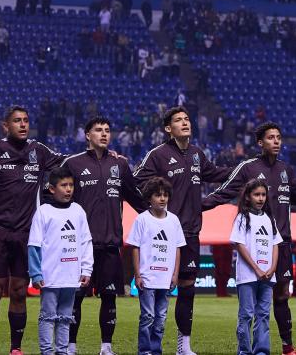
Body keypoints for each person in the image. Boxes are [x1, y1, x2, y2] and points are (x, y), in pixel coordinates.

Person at [203, 121, 296, 355]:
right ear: (260, 142)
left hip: (280, 242)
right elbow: (225, 190)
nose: (276, 141)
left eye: (279, 137)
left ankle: (287, 346)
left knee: (282, 295)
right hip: (253, 245)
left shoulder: (286, 170)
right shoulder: (248, 167)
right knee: (250, 306)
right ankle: (246, 348)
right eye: (271, 138)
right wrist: (199, 205)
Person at [0, 106, 67, 355]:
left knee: (20, 291)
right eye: (17, 121)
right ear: (5, 126)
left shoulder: (38, 151)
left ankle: (15, 348)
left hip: (28, 233)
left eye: (26, 121)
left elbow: (67, 162)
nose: (23, 125)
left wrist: (100, 154)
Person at [134, 106, 233, 355]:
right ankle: (146, 347)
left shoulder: (197, 154)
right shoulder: (157, 155)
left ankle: (183, 346)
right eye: (178, 120)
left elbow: (216, 173)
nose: (185, 122)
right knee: (153, 291)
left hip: (189, 232)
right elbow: (133, 180)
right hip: (162, 234)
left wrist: (243, 170)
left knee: (187, 288)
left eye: (187, 118)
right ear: (168, 128)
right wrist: (148, 213)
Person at [61, 118, 146, 355]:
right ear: (87, 135)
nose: (104, 134)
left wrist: (160, 219)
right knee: (75, 298)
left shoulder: (119, 165)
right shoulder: (73, 163)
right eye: (98, 130)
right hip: (79, 246)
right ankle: (70, 346)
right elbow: (56, 195)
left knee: (109, 296)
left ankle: (106, 347)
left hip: (110, 243)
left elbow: (136, 198)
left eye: (107, 130)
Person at [29, 166, 94, 355]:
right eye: (63, 185)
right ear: (52, 188)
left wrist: (86, 269)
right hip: (50, 276)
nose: (68, 189)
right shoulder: (43, 211)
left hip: (71, 275)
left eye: (71, 185)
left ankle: (62, 351)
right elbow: (34, 245)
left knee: (66, 317)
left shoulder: (78, 211)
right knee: (48, 316)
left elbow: (86, 241)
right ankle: (47, 351)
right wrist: (36, 272)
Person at [127, 177, 185, 355]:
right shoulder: (141, 220)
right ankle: (144, 351)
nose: (162, 199)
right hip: (147, 278)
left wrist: (175, 275)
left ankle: (156, 350)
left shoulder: (174, 220)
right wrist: (137, 275)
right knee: (148, 316)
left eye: (165, 195)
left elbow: (177, 248)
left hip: (166, 279)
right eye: (158, 195)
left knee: (160, 318)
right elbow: (135, 248)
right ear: (149, 198)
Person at [231, 179, 283, 355]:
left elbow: (276, 245)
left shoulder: (269, 218)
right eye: (256, 194)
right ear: (248, 197)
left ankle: (261, 351)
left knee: (263, 315)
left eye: (263, 194)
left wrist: (272, 268)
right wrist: (256, 269)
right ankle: (244, 351)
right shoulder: (242, 218)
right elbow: (240, 245)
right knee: (246, 315)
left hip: (268, 276)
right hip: (247, 276)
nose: (260, 198)